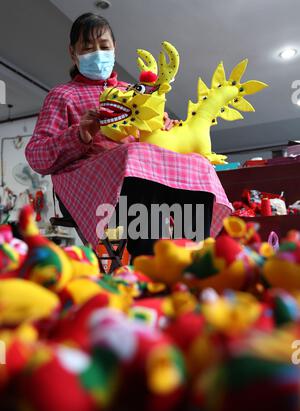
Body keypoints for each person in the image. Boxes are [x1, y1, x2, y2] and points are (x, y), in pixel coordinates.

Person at [25, 12, 232, 260]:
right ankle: (148, 259)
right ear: (73, 52)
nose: (98, 54)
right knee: (137, 156)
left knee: (196, 163)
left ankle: (195, 253)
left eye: (104, 47)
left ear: (115, 49)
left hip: (144, 182)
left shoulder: (136, 92)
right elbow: (37, 157)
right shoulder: (62, 96)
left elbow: (157, 132)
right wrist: (79, 135)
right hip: (90, 185)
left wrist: (167, 128)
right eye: (88, 48)